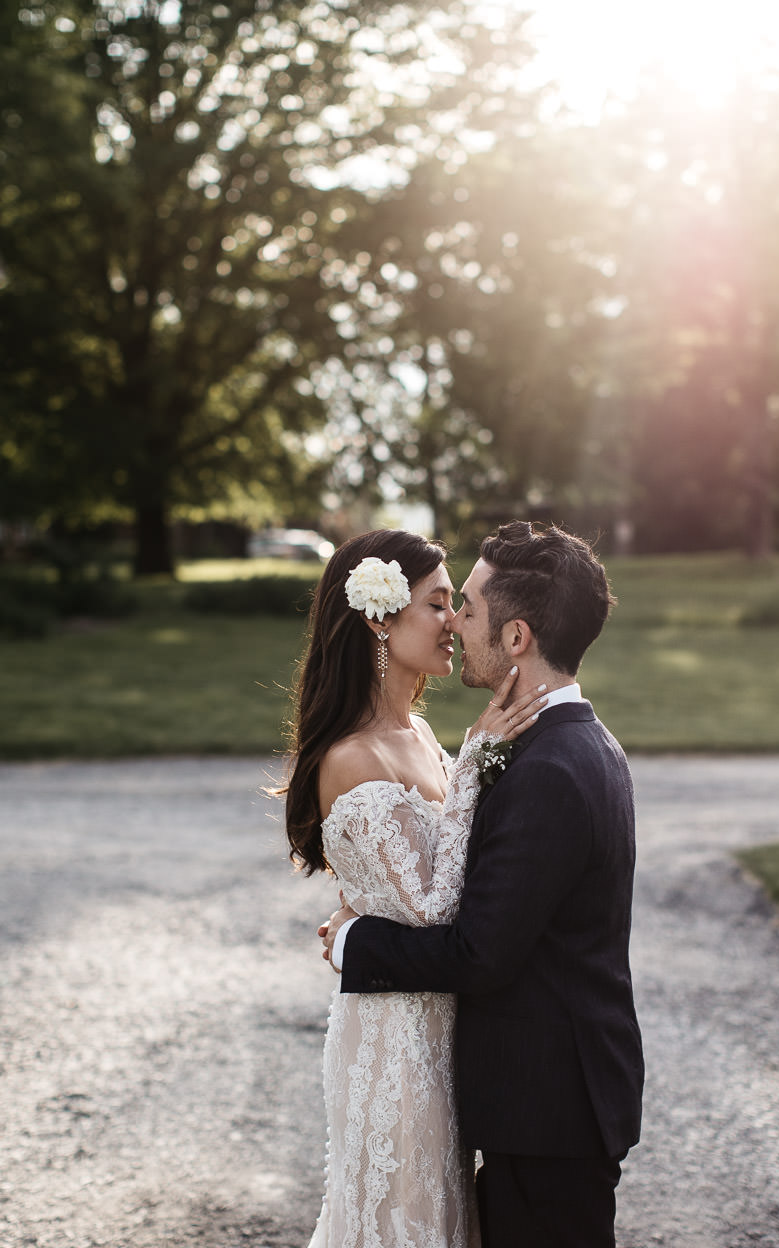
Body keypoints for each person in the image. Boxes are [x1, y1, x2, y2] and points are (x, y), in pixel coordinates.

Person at [317, 522, 644, 1248]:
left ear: (517, 637)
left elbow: (478, 951)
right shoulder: (554, 744)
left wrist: (355, 941)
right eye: (444, 603)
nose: (457, 622)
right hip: (527, 1101)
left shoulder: (550, 769)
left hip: (549, 1107)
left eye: (463, 604)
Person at [282, 527, 548, 1248]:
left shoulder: (422, 736)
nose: (456, 623)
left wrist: (357, 913)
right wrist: (478, 763)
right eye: (437, 604)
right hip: (393, 1041)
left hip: (445, 1031)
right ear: (379, 616)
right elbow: (433, 909)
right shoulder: (351, 758)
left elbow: (415, 875)